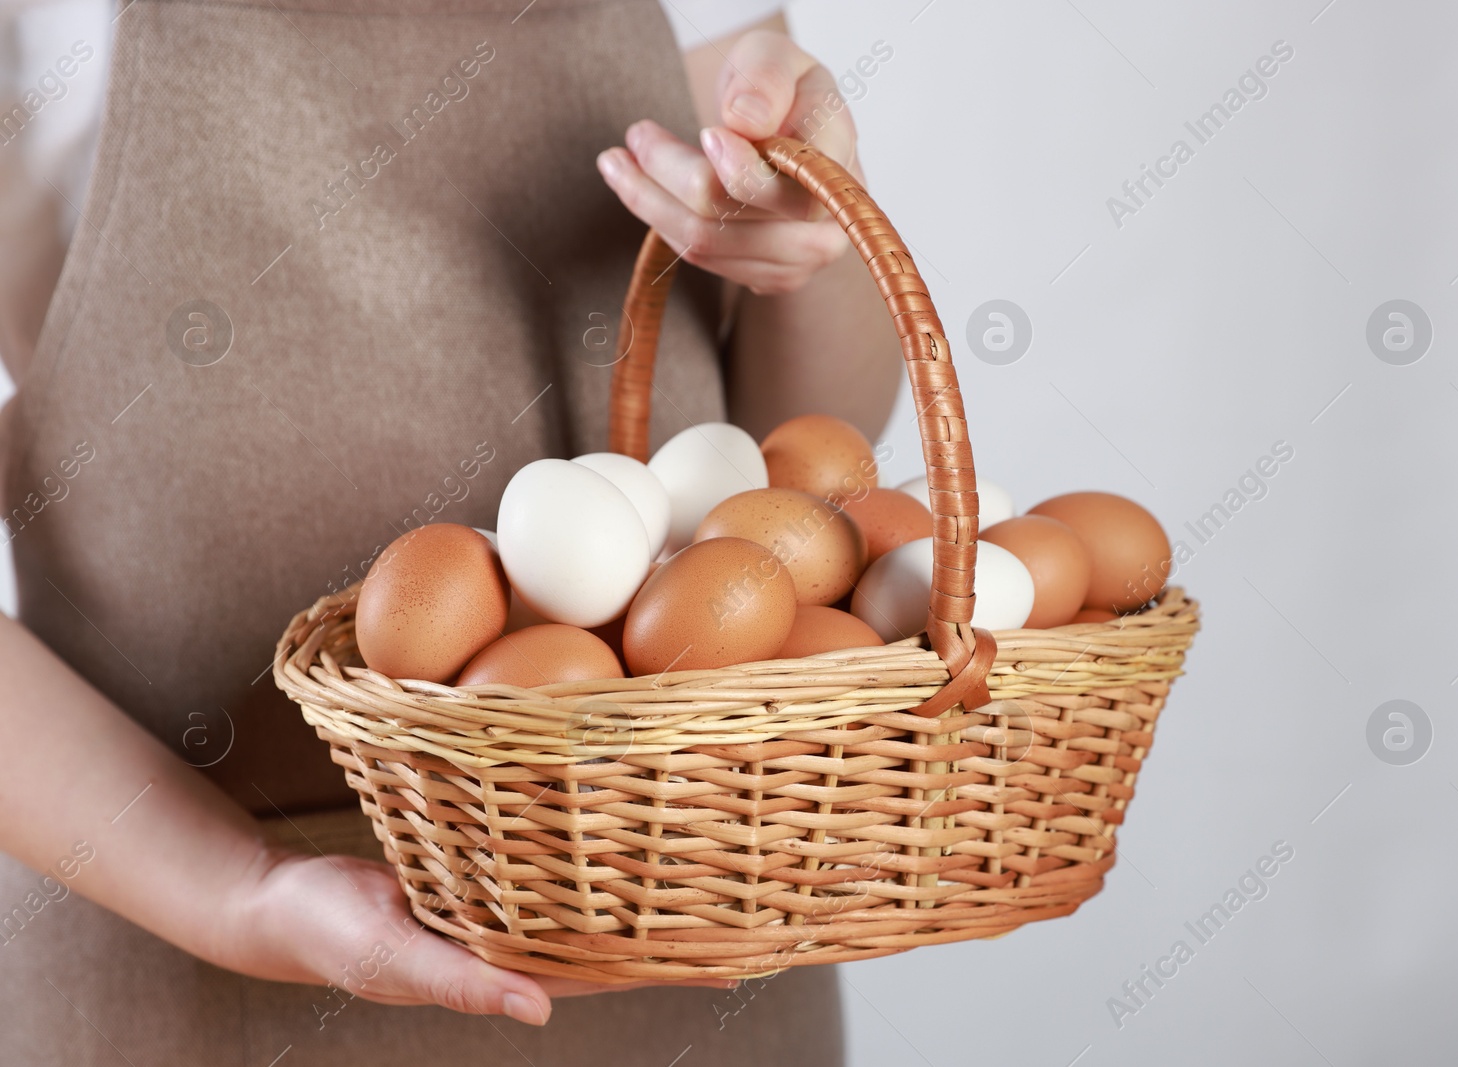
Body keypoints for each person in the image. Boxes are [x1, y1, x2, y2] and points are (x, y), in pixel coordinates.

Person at [0, 0, 902, 1063]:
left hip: (684, 922)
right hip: (177, 956)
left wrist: (812, 247)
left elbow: (777, 457)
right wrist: (239, 893)